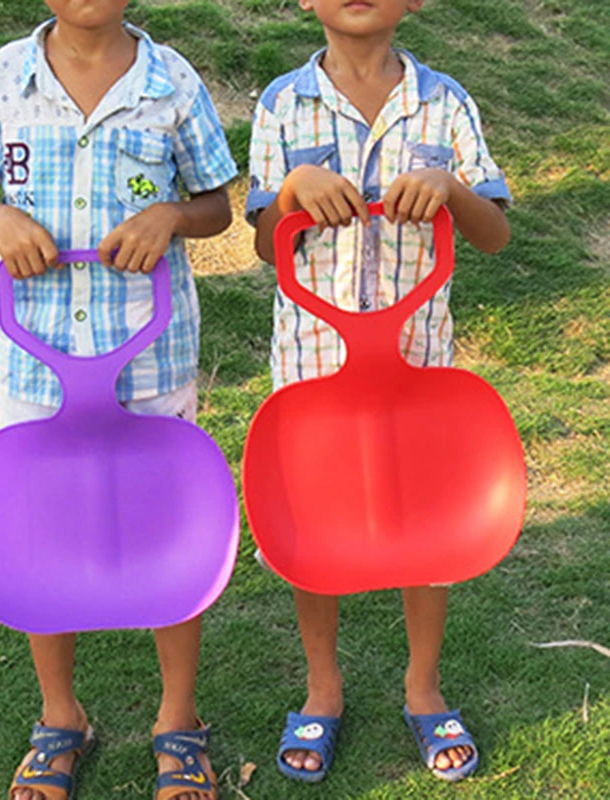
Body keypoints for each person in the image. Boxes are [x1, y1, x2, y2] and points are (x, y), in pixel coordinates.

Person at [0, 2, 238, 798]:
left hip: (149, 352)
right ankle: (59, 717)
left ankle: (179, 721)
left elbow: (217, 206)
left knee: (168, 526)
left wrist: (171, 215)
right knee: (43, 533)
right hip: (35, 358)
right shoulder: (4, 78)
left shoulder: (173, 83)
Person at [246, 0, 511, 784]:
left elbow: (494, 233)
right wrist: (290, 192)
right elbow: (263, 244)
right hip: (314, 361)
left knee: (426, 520)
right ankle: (322, 687)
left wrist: (449, 187)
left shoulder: (445, 104)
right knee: (312, 522)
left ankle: (423, 685)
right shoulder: (282, 104)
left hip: (416, 363)